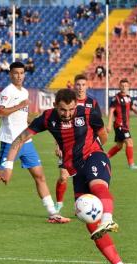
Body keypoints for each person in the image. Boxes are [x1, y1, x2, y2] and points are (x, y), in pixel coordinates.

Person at [1, 88, 132, 264]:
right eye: (63, 110)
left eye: (71, 109)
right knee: (90, 224)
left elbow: (102, 135)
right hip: (76, 171)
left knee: (97, 185)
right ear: (55, 106)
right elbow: (20, 139)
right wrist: (8, 165)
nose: (68, 114)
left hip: (94, 156)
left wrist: (94, 149)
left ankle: (108, 218)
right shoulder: (47, 118)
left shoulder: (87, 112)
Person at [0, 61, 69, 223]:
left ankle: (53, 213)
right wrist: (19, 105)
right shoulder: (7, 92)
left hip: (26, 142)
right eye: (16, 73)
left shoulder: (24, 91)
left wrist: (34, 118)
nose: (19, 76)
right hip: (10, 142)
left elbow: (24, 117)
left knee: (39, 176)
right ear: (10, 74)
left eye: (21, 73)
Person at [54, 74, 98, 212]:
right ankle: (59, 204)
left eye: (83, 84)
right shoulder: (66, 102)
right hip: (67, 146)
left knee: (86, 176)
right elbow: (56, 125)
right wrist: (57, 144)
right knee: (63, 176)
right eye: (78, 84)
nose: (80, 87)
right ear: (74, 85)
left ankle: (84, 206)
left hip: (86, 148)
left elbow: (96, 126)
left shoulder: (92, 103)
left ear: (87, 85)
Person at [106, 78, 137, 169]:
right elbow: (111, 111)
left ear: (129, 87)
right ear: (119, 86)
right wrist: (108, 125)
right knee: (129, 141)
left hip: (125, 126)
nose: (124, 87)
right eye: (122, 85)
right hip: (119, 125)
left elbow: (133, 108)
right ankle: (131, 164)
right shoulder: (115, 98)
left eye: (126, 86)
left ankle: (105, 158)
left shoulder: (128, 98)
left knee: (119, 146)